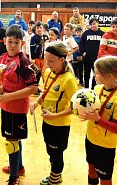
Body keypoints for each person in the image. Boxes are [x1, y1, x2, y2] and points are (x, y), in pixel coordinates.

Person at [0, 24, 38, 184]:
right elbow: (2, 79)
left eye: (16, 43)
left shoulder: (24, 62)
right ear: (5, 40)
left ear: (22, 44)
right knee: (13, 138)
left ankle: (14, 177)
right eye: (10, 41)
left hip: (17, 108)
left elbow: (33, 88)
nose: (12, 45)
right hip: (6, 105)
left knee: (11, 142)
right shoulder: (3, 58)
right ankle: (18, 167)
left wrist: (8, 97)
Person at [30, 41, 78, 185]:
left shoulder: (69, 80)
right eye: (46, 60)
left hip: (59, 126)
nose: (47, 64)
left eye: (51, 61)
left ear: (62, 60)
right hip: (47, 122)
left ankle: (55, 179)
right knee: (51, 151)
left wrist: (55, 116)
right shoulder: (48, 72)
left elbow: (75, 107)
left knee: (57, 154)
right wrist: (37, 101)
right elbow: (46, 91)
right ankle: (55, 176)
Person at [79, 56, 117, 185]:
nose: (94, 75)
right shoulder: (97, 88)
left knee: (105, 178)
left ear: (110, 77)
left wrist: (97, 119)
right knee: (91, 170)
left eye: (96, 73)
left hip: (105, 146)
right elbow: (93, 110)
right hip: (90, 138)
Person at [80, 18, 105, 89]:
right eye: (91, 24)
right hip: (87, 58)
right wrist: (83, 52)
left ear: (98, 24)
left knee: (96, 74)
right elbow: (81, 44)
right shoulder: (85, 33)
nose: (93, 25)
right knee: (86, 74)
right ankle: (86, 88)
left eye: (94, 24)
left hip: (97, 59)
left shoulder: (102, 34)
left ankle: (94, 88)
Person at [30, 21, 49, 94]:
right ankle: (34, 88)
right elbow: (32, 49)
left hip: (43, 58)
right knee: (36, 73)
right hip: (36, 58)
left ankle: (38, 87)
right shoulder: (34, 38)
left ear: (43, 29)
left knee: (41, 73)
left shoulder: (45, 37)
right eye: (37, 28)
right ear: (35, 29)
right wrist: (33, 59)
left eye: (40, 27)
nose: (39, 29)